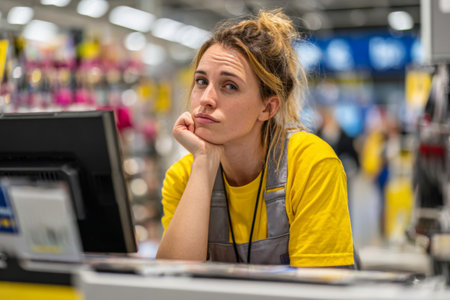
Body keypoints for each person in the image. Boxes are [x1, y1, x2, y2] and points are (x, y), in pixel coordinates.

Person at [156, 9, 355, 268]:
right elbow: (172, 286)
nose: (206, 99)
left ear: (268, 108)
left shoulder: (310, 165)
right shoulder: (183, 177)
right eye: (201, 81)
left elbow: (317, 291)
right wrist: (204, 162)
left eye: (230, 86)